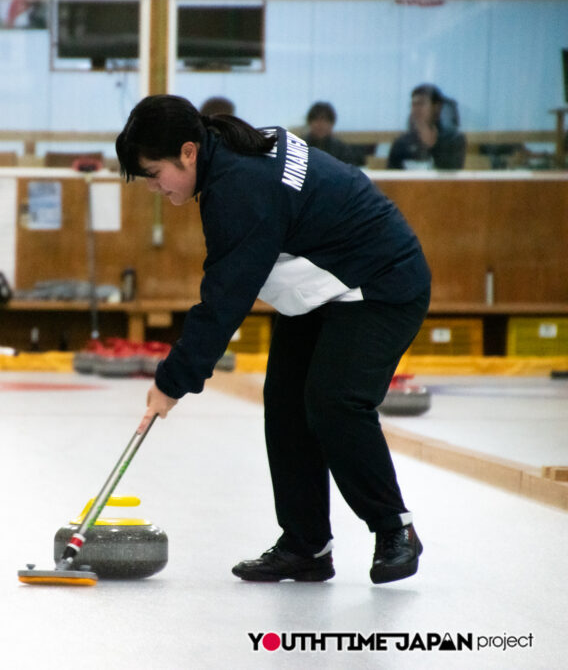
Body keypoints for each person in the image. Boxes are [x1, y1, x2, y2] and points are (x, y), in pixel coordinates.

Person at [116, 95, 431, 585]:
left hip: (381, 283)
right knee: (285, 401)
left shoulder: (240, 186)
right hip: (324, 287)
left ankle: (395, 530)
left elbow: (224, 300)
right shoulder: (229, 154)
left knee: (334, 402)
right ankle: (306, 545)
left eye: (156, 174)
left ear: (188, 152)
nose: (157, 188)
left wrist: (172, 381)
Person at [387, 83, 465, 169]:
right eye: (413, 104)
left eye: (421, 104)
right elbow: (392, 176)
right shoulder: (401, 143)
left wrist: (432, 145)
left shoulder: (453, 140)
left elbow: (451, 174)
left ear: (436, 107)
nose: (416, 109)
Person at [302, 101, 363, 166]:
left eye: (325, 120)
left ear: (332, 124)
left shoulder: (341, 149)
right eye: (316, 120)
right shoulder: (301, 147)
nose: (320, 125)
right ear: (309, 122)